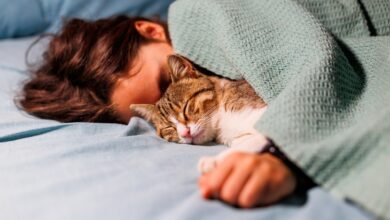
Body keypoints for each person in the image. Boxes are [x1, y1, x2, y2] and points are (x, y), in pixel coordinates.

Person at [20, 16, 310, 208]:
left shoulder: (209, 15)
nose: (171, 98)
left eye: (164, 81)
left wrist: (281, 156)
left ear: (151, 30)